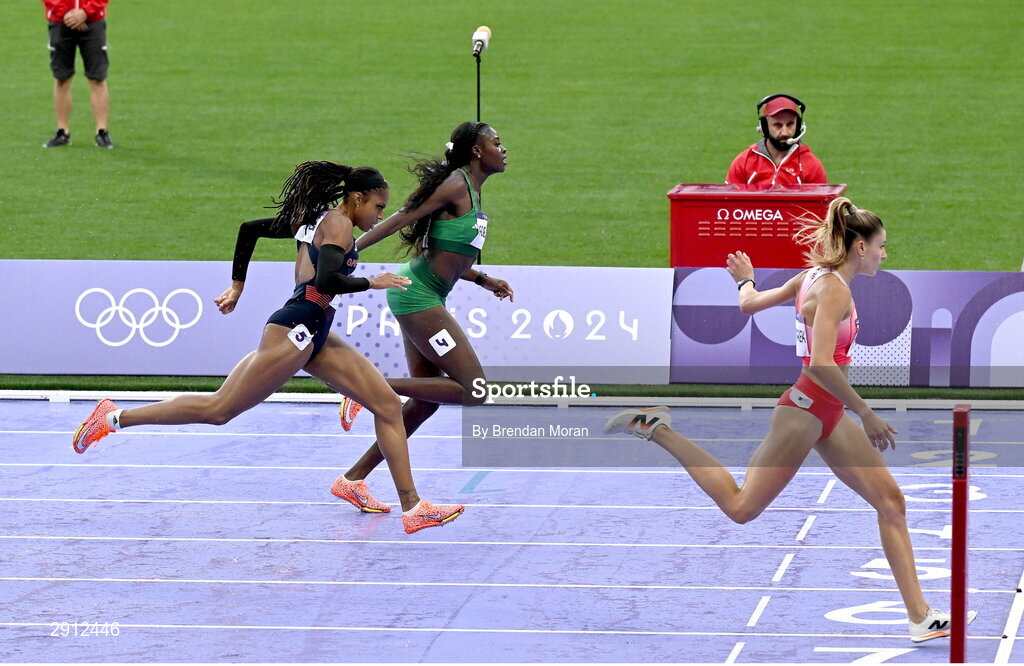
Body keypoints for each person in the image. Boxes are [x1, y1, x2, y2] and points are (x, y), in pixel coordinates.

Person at [604, 197, 976, 642]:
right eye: (881, 246)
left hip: (828, 414)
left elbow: (749, 304)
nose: (884, 254)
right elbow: (820, 362)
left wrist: (745, 280)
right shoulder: (833, 289)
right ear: (860, 247)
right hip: (803, 412)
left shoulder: (811, 276)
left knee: (891, 502)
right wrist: (866, 413)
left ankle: (920, 617)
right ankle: (657, 428)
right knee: (741, 507)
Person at [72, 161, 464, 534]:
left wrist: (237, 286)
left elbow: (249, 230)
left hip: (315, 330)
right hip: (296, 330)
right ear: (358, 198)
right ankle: (113, 417)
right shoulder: (340, 224)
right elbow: (327, 281)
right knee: (218, 410)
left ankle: (408, 505)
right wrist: (371, 282)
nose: (380, 215)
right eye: (378, 206)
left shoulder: (317, 219)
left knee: (387, 405)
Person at [334, 121, 512, 508]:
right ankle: (366, 387)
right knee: (475, 391)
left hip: (423, 293)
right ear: (477, 151)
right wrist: (351, 249)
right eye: (496, 143)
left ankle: (353, 479)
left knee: (425, 402)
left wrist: (482, 278)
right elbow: (402, 217)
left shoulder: (472, 189)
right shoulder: (456, 184)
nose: (504, 149)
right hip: (418, 296)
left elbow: (449, 253)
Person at [41, 0, 114, 149]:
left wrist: (86, 12)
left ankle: (101, 131)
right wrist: (66, 13)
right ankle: (62, 131)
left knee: (97, 79)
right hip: (60, 21)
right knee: (62, 78)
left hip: (93, 21)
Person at [726, 94, 825, 188]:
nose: (784, 133)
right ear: (764, 127)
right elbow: (728, 198)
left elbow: (823, 200)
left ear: (798, 126)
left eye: (790, 124)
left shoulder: (811, 166)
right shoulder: (744, 162)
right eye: (778, 125)